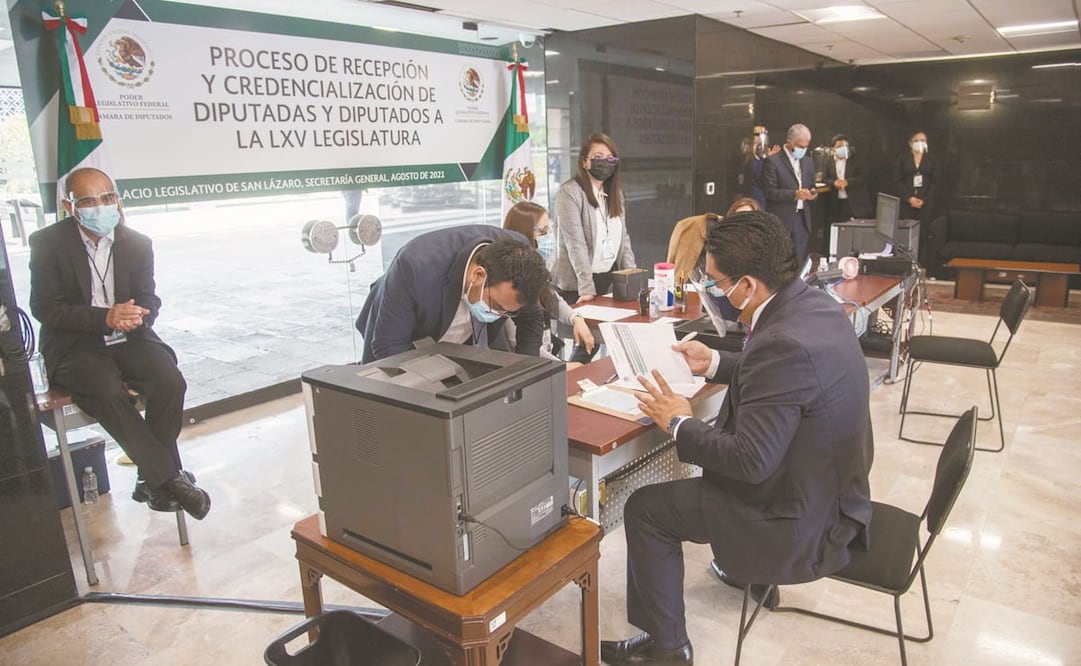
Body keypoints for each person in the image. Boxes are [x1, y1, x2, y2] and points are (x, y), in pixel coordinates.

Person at [600, 210, 874, 665]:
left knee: (645, 509)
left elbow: (751, 461)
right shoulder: (814, 305)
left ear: (747, 285)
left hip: (797, 519)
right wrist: (714, 364)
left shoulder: (781, 341)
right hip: (831, 493)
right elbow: (787, 383)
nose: (710, 291)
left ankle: (668, 647)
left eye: (715, 282)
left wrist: (679, 423)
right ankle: (740, 570)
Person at [28, 167, 210, 520]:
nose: (101, 207)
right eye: (90, 201)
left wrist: (138, 315)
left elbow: (150, 299)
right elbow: (45, 309)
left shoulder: (137, 243)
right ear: (70, 206)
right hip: (75, 345)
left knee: (169, 379)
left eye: (108, 198)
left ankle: (151, 479)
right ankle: (169, 478)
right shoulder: (48, 244)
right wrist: (104, 317)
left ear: (117, 199)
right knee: (107, 389)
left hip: (128, 338)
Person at [355, 225, 548, 363]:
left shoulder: (521, 262)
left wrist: (525, 370)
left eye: (508, 312)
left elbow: (531, 317)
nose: (498, 315)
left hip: (467, 342)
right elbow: (389, 350)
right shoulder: (415, 266)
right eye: (495, 306)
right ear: (479, 275)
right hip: (403, 336)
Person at [551, 132, 636, 305]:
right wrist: (587, 288)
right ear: (584, 161)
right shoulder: (569, 193)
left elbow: (623, 240)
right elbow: (575, 244)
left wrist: (633, 278)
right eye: (598, 157)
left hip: (605, 280)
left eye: (610, 158)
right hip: (575, 286)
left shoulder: (616, 194)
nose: (605, 162)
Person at [502, 201, 594, 360]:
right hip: (527, 365)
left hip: (546, 361)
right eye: (543, 232)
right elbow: (518, 342)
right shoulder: (509, 282)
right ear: (522, 234)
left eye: (549, 230)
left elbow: (551, 298)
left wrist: (575, 318)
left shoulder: (535, 271)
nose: (548, 238)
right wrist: (561, 366)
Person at [762, 123, 817, 265]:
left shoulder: (808, 162)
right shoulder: (773, 162)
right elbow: (769, 191)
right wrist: (794, 194)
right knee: (780, 260)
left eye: (806, 146)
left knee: (799, 260)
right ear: (789, 142)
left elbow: (812, 185)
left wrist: (812, 193)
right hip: (782, 218)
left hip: (802, 217)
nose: (803, 150)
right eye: (800, 146)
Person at [666, 197, 760, 280]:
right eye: (739, 215)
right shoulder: (715, 230)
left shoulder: (755, 242)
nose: (742, 219)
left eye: (747, 217)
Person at [893, 130, 940, 264]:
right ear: (910, 143)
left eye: (923, 140)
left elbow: (935, 182)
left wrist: (924, 199)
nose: (920, 143)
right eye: (916, 140)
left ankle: (921, 264)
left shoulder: (932, 159)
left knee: (923, 234)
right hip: (907, 202)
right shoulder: (902, 158)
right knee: (906, 233)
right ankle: (905, 263)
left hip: (925, 203)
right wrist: (909, 198)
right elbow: (897, 180)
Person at [824, 134, 870, 223]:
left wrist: (848, 182)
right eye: (839, 146)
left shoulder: (857, 159)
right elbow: (825, 178)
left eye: (845, 146)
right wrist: (834, 183)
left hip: (855, 204)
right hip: (837, 204)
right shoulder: (828, 161)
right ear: (833, 149)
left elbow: (864, 176)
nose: (843, 148)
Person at [739, 125, 778, 209]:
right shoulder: (750, 161)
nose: (758, 147)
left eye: (760, 143)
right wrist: (768, 160)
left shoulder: (760, 160)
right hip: (754, 199)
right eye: (755, 144)